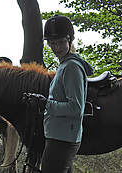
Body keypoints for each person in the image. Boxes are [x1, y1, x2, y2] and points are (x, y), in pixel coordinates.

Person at [23, 15, 94, 173]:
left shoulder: (71, 67)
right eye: (52, 43)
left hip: (62, 139)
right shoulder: (64, 64)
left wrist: (44, 103)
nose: (57, 47)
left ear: (71, 40)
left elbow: (76, 108)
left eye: (61, 41)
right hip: (60, 136)